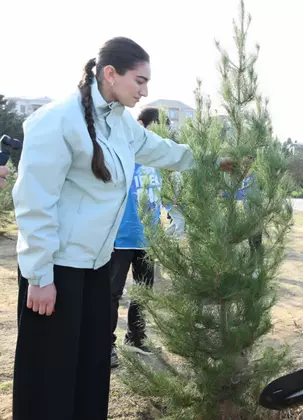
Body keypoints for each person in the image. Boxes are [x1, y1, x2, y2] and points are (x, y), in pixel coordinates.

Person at [11, 37, 195, 420]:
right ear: (110, 74)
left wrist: (212, 158)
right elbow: (34, 203)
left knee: (91, 367)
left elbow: (162, 150)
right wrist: (40, 276)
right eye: (139, 81)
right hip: (57, 269)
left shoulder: (120, 123)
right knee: (50, 374)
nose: (145, 91)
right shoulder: (57, 120)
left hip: (95, 266)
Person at [110, 107, 169, 368]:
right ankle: (105, 344)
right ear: (141, 125)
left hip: (148, 239)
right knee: (111, 294)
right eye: (156, 127)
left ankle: (135, 337)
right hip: (121, 238)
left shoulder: (156, 161)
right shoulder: (124, 153)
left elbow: (163, 199)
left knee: (144, 293)